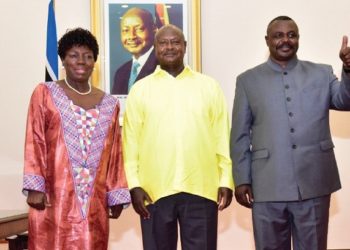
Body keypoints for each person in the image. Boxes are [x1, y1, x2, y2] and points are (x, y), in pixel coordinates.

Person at [230, 15, 350, 250]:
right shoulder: (247, 81)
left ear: (298, 39)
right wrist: (241, 179)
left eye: (291, 35)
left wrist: (348, 69)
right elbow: (240, 134)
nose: (285, 40)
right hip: (266, 185)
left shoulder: (322, 73)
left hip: (315, 183)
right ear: (267, 40)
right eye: (278, 35)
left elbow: (345, 100)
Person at [122, 24, 233, 250]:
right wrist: (134, 185)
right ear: (155, 48)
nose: (169, 47)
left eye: (175, 42)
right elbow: (131, 142)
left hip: (201, 189)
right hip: (153, 192)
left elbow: (222, 136)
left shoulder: (209, 87)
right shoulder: (140, 90)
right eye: (163, 43)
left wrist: (225, 180)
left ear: (184, 47)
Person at [22, 28, 130, 250]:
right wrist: (35, 185)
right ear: (63, 60)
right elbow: (35, 139)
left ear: (94, 62)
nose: (81, 61)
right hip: (52, 198)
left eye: (88, 56)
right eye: (73, 55)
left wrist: (116, 193)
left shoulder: (110, 103)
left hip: (94, 201)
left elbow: (116, 152)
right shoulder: (45, 93)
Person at [111, 7, 158, 95]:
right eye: (126, 30)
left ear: (154, 29)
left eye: (139, 29)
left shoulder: (164, 67)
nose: (131, 36)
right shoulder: (121, 72)